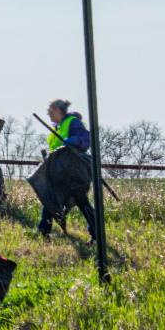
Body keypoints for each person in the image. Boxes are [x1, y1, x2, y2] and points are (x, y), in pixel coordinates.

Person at [39, 99, 97, 239]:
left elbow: (85, 140)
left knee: (82, 202)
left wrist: (75, 140)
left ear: (59, 111)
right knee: (49, 201)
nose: (48, 113)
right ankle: (43, 233)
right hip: (58, 172)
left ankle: (96, 234)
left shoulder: (73, 122)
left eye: (50, 111)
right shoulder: (57, 128)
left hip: (73, 173)